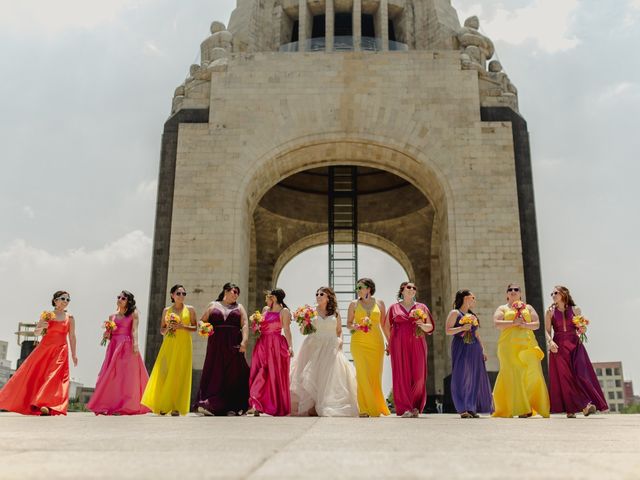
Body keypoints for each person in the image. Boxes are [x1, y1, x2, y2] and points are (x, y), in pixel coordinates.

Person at [0, 291, 78, 415]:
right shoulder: (47, 315)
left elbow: (72, 337)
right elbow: (37, 333)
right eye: (63, 298)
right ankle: (39, 403)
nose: (65, 301)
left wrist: (74, 354)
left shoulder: (70, 318)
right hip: (44, 349)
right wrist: (41, 326)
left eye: (68, 299)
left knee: (54, 376)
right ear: (55, 300)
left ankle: (46, 405)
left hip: (61, 350)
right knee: (37, 375)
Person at [290, 287, 358, 417]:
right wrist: (304, 321)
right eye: (317, 294)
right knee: (313, 376)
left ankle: (325, 404)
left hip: (331, 346)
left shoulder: (335, 312)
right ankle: (312, 406)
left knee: (329, 377)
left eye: (322, 294)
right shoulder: (310, 311)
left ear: (328, 297)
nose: (318, 296)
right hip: (313, 346)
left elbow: (339, 330)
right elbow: (304, 332)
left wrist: (341, 342)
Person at [546, 285, 607, 417]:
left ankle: (586, 404)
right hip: (559, 347)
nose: (553, 295)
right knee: (565, 378)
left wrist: (583, 329)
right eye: (552, 294)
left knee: (581, 374)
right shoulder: (549, 311)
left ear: (564, 294)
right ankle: (576, 408)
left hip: (575, 345)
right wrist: (550, 342)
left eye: (555, 293)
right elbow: (546, 330)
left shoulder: (575, 309)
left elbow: (581, 327)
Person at [88, 290, 150, 415]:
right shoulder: (112, 316)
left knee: (127, 376)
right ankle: (111, 405)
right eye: (119, 297)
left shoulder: (133, 314)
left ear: (128, 301)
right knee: (112, 375)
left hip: (127, 346)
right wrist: (106, 334)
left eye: (123, 298)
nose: (120, 299)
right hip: (114, 346)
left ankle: (125, 406)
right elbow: (109, 335)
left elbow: (134, 330)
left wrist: (136, 344)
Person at [492, 283, 550, 418]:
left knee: (533, 373)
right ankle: (522, 409)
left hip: (528, 344)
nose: (513, 291)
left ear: (520, 293)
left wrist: (524, 325)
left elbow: (537, 324)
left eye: (516, 289)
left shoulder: (528, 307)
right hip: (508, 345)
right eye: (510, 290)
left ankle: (530, 404)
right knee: (514, 372)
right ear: (507, 294)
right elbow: (497, 323)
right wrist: (513, 323)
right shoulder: (502, 308)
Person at [194, 282, 250, 416]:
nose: (236, 294)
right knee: (214, 373)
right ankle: (209, 405)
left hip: (233, 344)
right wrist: (203, 327)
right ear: (226, 291)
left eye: (238, 293)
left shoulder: (239, 307)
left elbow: (245, 325)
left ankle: (233, 407)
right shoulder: (213, 305)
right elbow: (201, 321)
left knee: (233, 375)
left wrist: (244, 341)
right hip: (216, 345)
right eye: (234, 291)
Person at [141, 284, 196, 416]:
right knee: (165, 373)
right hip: (169, 344)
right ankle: (164, 405)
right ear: (172, 295)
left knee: (180, 374)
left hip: (184, 345)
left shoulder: (190, 309)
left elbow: (195, 328)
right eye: (178, 293)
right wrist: (169, 328)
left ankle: (177, 407)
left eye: (184, 294)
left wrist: (182, 326)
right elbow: (162, 330)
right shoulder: (167, 310)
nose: (181, 296)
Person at [384, 281, 433, 418]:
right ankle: (406, 408)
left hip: (418, 342)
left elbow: (430, 327)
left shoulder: (422, 307)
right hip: (399, 344)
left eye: (414, 288)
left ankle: (415, 405)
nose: (412, 289)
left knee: (419, 377)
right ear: (402, 291)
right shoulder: (394, 308)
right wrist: (390, 342)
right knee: (402, 376)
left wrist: (422, 325)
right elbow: (386, 326)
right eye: (409, 287)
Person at [445, 289, 493, 418]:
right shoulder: (455, 313)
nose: (474, 300)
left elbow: (477, 334)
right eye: (473, 297)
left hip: (474, 348)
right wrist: (461, 328)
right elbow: (448, 331)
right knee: (460, 376)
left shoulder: (473, 316)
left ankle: (471, 408)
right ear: (465, 298)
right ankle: (462, 408)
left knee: (473, 377)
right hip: (460, 346)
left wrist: (483, 350)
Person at [347, 278, 390, 417]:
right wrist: (356, 326)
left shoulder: (380, 303)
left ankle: (377, 405)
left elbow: (384, 325)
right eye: (357, 287)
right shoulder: (353, 304)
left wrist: (389, 342)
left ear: (369, 288)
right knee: (362, 373)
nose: (358, 290)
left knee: (375, 375)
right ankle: (365, 408)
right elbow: (348, 324)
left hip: (376, 343)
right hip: (358, 342)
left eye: (361, 287)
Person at [248, 288, 293, 416]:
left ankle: (268, 405)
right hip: (262, 344)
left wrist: (290, 347)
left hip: (277, 345)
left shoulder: (284, 311)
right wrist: (256, 325)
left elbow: (287, 330)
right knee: (259, 370)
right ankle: (255, 403)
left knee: (274, 374)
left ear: (274, 298)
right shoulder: (265, 310)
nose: (266, 300)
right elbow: (259, 328)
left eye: (267, 297)